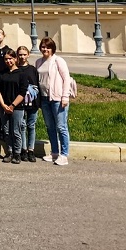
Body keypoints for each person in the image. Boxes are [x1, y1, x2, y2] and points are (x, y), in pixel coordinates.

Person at [35, 37, 72, 166]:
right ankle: (55, 152)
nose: (45, 49)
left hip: (57, 98)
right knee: (50, 127)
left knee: (61, 127)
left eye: (47, 47)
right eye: (43, 47)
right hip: (45, 99)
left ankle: (64, 154)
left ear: (52, 49)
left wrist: (65, 96)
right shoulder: (38, 62)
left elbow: (66, 78)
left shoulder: (58, 61)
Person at [0, 49, 28, 164]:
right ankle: (9, 151)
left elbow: (22, 92)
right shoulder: (2, 74)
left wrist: (13, 105)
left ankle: (17, 153)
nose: (8, 61)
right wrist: (3, 104)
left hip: (17, 107)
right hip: (3, 106)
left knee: (16, 130)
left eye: (10, 58)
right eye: (6, 59)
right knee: (6, 130)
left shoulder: (21, 74)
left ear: (15, 59)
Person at [17, 45, 39, 162]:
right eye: (20, 54)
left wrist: (37, 101)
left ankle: (31, 149)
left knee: (31, 125)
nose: (22, 57)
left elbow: (37, 85)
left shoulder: (32, 69)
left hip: (32, 102)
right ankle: (23, 149)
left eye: (24, 54)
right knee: (22, 126)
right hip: (20, 102)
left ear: (28, 55)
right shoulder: (16, 69)